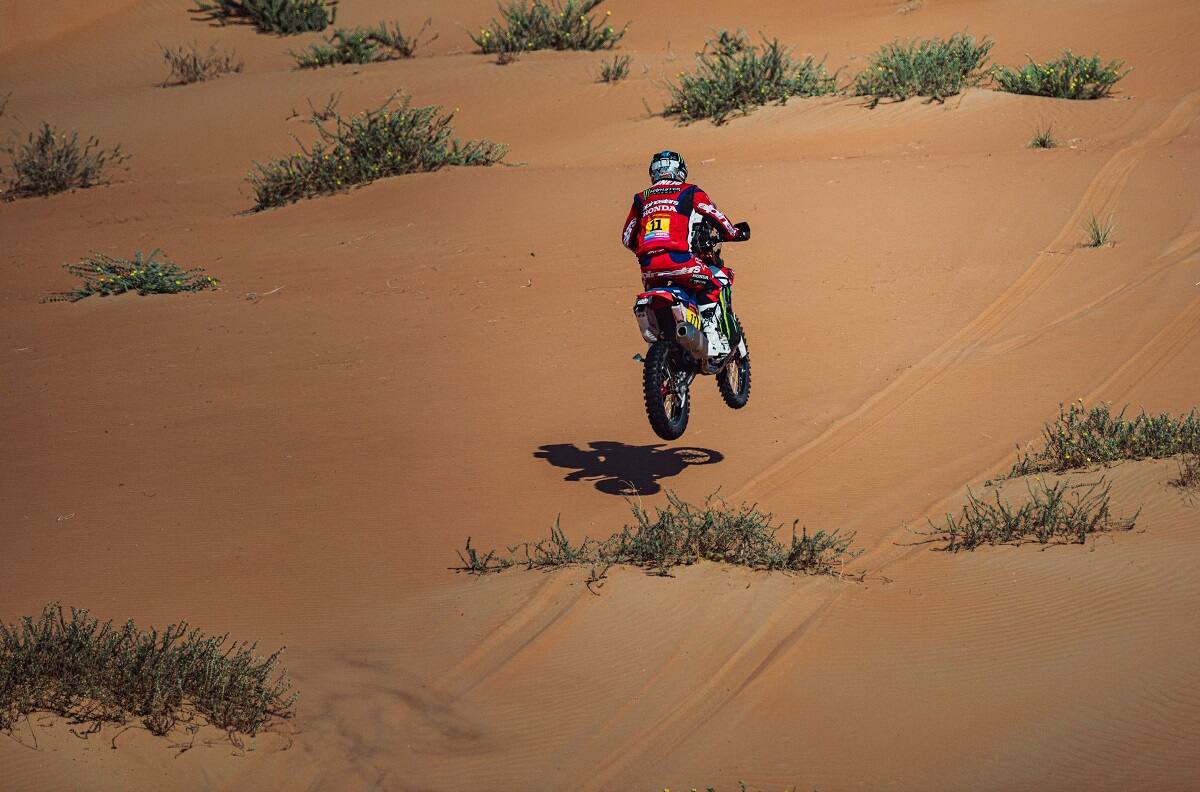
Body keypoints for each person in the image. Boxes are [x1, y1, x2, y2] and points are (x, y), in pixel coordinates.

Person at [621, 150, 750, 357]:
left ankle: (659, 348)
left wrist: (649, 247)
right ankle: (712, 336)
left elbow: (627, 238)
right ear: (680, 171)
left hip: (649, 268)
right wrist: (733, 232)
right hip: (680, 261)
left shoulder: (642, 198)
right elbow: (713, 213)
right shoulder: (690, 191)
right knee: (712, 284)